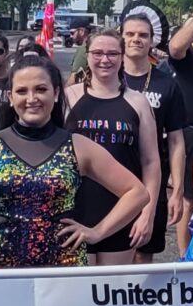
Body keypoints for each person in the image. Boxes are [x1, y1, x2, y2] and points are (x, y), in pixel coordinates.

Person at [0, 56, 150, 269]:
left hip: (63, 271)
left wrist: (97, 231)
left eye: (41, 89)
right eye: (22, 91)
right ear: (10, 97)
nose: (32, 98)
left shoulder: (78, 146)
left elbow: (137, 192)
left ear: (55, 93)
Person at [65, 29, 163, 265]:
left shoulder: (138, 102)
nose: (104, 60)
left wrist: (147, 213)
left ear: (122, 57)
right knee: (79, 291)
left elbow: (151, 162)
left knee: (114, 290)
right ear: (87, 56)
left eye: (112, 53)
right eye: (97, 53)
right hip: (78, 208)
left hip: (122, 209)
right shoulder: (69, 98)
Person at [118, 7, 191, 259]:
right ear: (121, 37)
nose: (136, 39)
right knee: (111, 249)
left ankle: (138, 297)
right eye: (130, 34)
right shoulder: (108, 79)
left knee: (144, 247)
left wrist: (178, 189)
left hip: (153, 176)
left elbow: (176, 139)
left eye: (143, 35)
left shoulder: (166, 83)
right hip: (114, 172)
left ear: (152, 40)